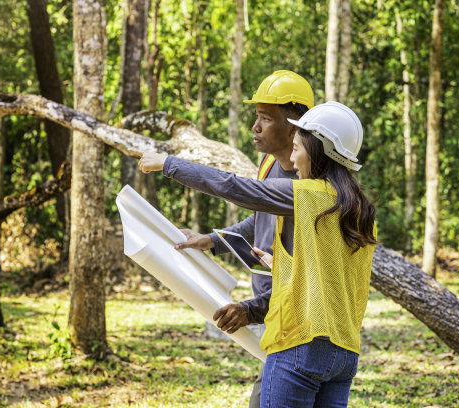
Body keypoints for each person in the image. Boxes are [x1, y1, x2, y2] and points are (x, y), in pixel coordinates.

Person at [138, 101, 377, 407]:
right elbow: (327, 282)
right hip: (344, 354)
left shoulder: (306, 194)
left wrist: (169, 164)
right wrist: (220, 244)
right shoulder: (359, 208)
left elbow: (235, 187)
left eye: (298, 147)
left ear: (318, 152)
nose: (291, 156)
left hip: (300, 344)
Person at [169, 70, 314, 407]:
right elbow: (260, 218)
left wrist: (250, 310)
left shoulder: (310, 180)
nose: (256, 127)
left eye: (266, 118)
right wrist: (213, 240)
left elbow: (303, 283)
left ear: (294, 126)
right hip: (271, 313)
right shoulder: (268, 163)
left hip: (295, 321)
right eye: (256, 116)